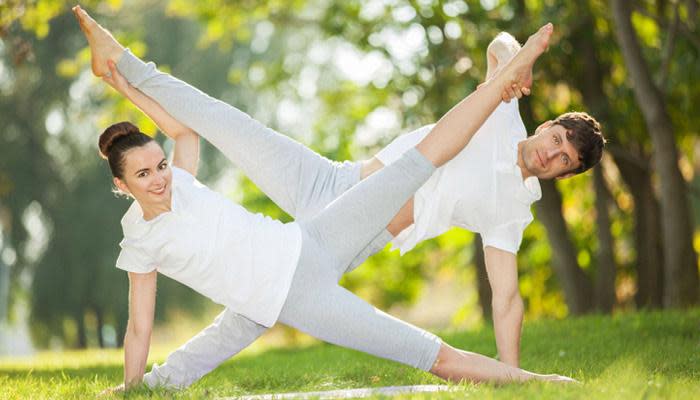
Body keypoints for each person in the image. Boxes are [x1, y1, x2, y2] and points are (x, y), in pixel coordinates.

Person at [73, 5, 575, 393]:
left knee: (422, 160)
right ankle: (118, 59)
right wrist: (136, 389)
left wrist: (123, 83)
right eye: (556, 141)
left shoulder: (177, 182)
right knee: (217, 340)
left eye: (565, 161)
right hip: (325, 197)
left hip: (320, 240)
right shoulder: (139, 241)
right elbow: (140, 325)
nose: (553, 156)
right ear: (122, 185)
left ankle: (534, 385)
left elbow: (187, 130)